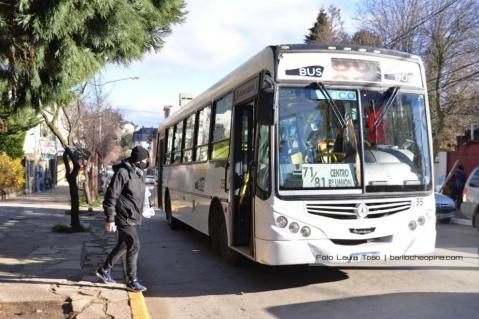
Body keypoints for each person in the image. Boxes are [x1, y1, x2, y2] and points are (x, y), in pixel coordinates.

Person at [96, 146, 150, 292]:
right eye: (145, 159)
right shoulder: (123, 172)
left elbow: (137, 194)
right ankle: (132, 280)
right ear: (138, 160)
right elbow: (111, 196)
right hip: (123, 216)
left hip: (132, 215)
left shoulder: (138, 173)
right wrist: (110, 218)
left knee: (124, 244)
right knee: (134, 244)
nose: (147, 162)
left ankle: (104, 270)